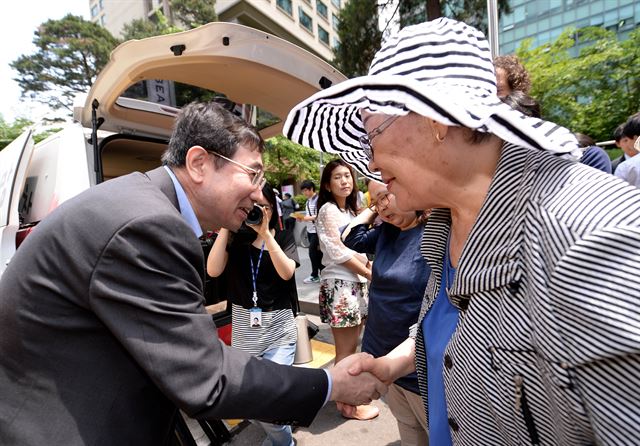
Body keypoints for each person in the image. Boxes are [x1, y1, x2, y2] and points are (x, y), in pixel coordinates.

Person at [285, 18, 640, 445]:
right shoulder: (447, 224)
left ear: (436, 118)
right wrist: (393, 365)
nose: (371, 162)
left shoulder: (590, 237)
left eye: (372, 133)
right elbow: (456, 325)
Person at [0, 101, 386, 445]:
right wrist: (330, 383)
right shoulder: (149, 224)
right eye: (252, 175)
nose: (258, 193)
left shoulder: (143, 205)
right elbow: (206, 378)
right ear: (200, 163)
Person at [207, 183, 299, 446]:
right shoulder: (234, 240)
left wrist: (267, 235)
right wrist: (227, 224)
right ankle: (280, 439)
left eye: (263, 208)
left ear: (272, 208)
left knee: (272, 399)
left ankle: (282, 442)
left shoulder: (282, 236)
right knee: (250, 399)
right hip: (245, 332)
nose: (256, 213)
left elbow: (287, 272)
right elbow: (212, 271)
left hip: (279, 329)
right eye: (249, 208)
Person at [342, 180, 430, 446]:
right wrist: (375, 208)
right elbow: (350, 237)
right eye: (375, 201)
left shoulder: (435, 233)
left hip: (416, 361)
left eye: (386, 197)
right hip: (381, 352)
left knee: (437, 432)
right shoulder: (386, 232)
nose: (381, 206)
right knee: (408, 430)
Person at [315, 159, 377, 420]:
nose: (345, 181)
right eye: (338, 177)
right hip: (341, 285)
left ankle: (345, 401)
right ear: (328, 186)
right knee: (345, 351)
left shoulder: (352, 212)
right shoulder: (328, 210)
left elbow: (359, 247)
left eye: (348, 176)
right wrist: (367, 272)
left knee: (351, 349)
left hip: (354, 285)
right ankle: (348, 404)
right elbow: (337, 252)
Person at [295, 179, 324, 283]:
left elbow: (320, 216)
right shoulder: (308, 201)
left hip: (317, 231)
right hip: (310, 231)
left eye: (306, 190)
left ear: (312, 189)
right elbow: (309, 216)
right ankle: (323, 273)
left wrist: (306, 218)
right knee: (317, 253)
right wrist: (301, 218)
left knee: (313, 253)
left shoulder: (318, 199)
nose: (304, 193)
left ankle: (315, 275)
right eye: (303, 191)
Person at [614, 114, 640, 187]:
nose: (628, 143)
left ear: (635, 138)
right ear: (618, 143)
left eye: (627, 140)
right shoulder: (615, 165)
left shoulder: (625, 168)